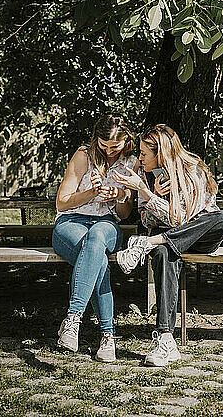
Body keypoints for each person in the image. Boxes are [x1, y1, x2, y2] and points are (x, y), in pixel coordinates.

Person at [113, 124, 223, 367]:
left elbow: (184, 220)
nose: (140, 158)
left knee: (222, 218)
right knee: (163, 252)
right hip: (168, 238)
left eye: (145, 153)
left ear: (161, 153)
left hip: (198, 235)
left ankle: (146, 243)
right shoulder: (144, 173)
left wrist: (147, 193)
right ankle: (166, 339)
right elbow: (146, 219)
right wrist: (149, 194)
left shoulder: (192, 170)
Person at [52, 113, 137, 362]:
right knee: (97, 257)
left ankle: (72, 320)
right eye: (104, 146)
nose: (109, 152)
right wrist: (91, 192)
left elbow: (125, 213)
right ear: (95, 140)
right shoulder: (83, 156)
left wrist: (118, 195)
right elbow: (62, 202)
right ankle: (107, 336)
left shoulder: (132, 163)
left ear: (126, 140)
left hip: (107, 224)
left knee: (98, 236)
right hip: (71, 223)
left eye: (115, 147)